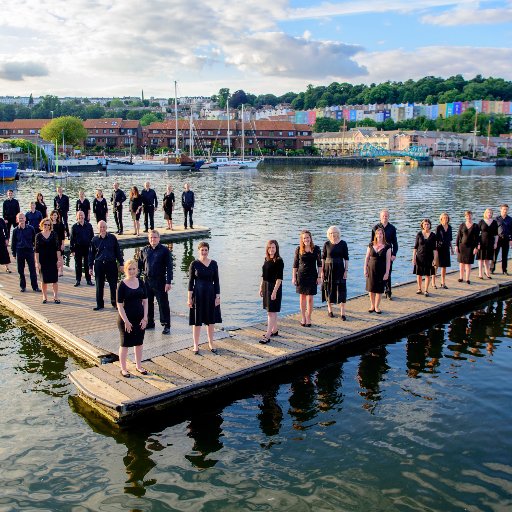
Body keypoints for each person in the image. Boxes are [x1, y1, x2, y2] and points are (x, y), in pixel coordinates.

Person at [187, 241, 221, 353]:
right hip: (198, 294)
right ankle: (196, 345)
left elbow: (216, 281)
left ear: (208, 251)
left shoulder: (214, 263)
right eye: (202, 250)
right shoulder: (194, 264)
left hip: (211, 294)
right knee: (197, 321)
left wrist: (218, 297)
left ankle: (211, 343)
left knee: (210, 320)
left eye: (206, 250)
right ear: (199, 250)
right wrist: (189, 298)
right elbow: (191, 282)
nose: (204, 252)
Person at [117, 259, 149, 378]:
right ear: (125, 270)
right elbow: (119, 305)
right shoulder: (122, 284)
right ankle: (123, 368)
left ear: (137, 270)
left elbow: (145, 301)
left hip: (140, 318)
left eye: (133, 269)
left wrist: (145, 318)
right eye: (129, 269)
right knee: (125, 344)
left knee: (139, 343)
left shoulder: (141, 282)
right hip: (125, 319)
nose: (131, 271)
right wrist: (126, 321)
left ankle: (139, 366)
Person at [138, 230, 173, 335]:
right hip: (147, 280)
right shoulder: (144, 250)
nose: (153, 239)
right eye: (151, 237)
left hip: (160, 280)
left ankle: (166, 324)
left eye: (155, 237)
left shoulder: (165, 250)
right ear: (148, 239)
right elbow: (139, 266)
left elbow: (169, 267)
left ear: (159, 238)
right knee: (147, 303)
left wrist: (168, 282)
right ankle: (150, 322)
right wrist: (137, 280)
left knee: (163, 303)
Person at [88, 220, 124, 311]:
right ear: (98, 228)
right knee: (99, 285)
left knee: (113, 285)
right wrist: (90, 267)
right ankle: (100, 304)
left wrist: (121, 263)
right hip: (99, 264)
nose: (102, 229)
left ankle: (115, 303)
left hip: (111, 263)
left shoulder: (112, 238)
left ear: (106, 228)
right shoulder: (94, 240)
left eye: (104, 227)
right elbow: (91, 254)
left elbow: (118, 252)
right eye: (100, 227)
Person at [292, 230, 322, 327]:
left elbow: (320, 264)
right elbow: (295, 265)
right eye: (304, 238)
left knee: (310, 298)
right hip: (301, 276)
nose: (306, 239)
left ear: (310, 238)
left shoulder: (316, 249)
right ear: (302, 239)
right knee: (302, 298)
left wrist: (319, 276)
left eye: (307, 237)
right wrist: (294, 277)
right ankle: (303, 317)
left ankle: (309, 317)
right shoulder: (298, 249)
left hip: (312, 275)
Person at [321, 225, 349, 320]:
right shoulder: (326, 244)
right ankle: (330, 310)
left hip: (339, 269)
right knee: (328, 289)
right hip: (328, 269)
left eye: (335, 232)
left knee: (342, 290)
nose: (333, 235)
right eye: (331, 233)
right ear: (329, 234)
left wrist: (346, 270)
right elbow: (323, 258)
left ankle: (343, 313)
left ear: (338, 233)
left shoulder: (343, 244)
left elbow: (346, 258)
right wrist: (322, 271)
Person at [259, 240, 284, 344]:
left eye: (273, 247)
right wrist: (260, 287)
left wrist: (274, 292)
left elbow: (279, 279)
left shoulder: (279, 260)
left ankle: (268, 335)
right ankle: (275, 330)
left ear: (276, 248)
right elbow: (263, 275)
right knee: (271, 311)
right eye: (269, 248)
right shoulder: (266, 259)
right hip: (266, 286)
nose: (271, 249)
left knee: (271, 312)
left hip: (274, 287)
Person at [371, 209, 398, 300]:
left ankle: (388, 291)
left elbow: (395, 243)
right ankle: (375, 290)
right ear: (380, 217)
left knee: (388, 272)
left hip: (387, 253)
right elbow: (372, 242)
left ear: (388, 217)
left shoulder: (392, 228)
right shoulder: (375, 227)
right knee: (376, 273)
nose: (384, 217)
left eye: (386, 216)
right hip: (377, 254)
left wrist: (394, 254)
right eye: (383, 216)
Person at [364, 227, 391, 314]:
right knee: (371, 289)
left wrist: (387, 272)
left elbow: (388, 261)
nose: (379, 235)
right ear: (375, 235)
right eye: (377, 234)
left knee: (379, 289)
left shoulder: (387, 246)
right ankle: (372, 305)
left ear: (383, 235)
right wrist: (365, 269)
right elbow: (367, 258)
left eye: (381, 234)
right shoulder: (371, 245)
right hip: (371, 269)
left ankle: (377, 306)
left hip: (381, 270)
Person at [35, 217, 61, 303]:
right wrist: (37, 262)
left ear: (50, 226)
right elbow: (37, 250)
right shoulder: (38, 236)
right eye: (45, 224)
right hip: (43, 260)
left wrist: (59, 260)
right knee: (43, 280)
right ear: (42, 225)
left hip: (52, 259)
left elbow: (58, 248)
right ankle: (44, 296)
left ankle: (56, 297)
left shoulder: (54, 234)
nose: (46, 226)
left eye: (48, 225)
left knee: (55, 280)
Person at [11, 213, 39, 293]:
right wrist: (13, 253)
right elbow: (13, 242)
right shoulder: (15, 230)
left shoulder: (31, 228)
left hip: (29, 250)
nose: (21, 220)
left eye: (22, 218)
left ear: (25, 219)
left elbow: (34, 240)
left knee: (32, 270)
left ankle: (35, 287)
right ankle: (23, 286)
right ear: (17, 220)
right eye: (19, 218)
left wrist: (36, 250)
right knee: (20, 270)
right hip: (20, 251)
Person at [412, 219, 438, 297]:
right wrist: (413, 258)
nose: (426, 226)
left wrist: (435, 259)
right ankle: (419, 288)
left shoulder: (433, 235)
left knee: (428, 274)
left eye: (428, 224)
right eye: (425, 224)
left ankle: (426, 290)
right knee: (419, 274)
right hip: (419, 257)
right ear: (422, 225)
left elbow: (435, 249)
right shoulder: (419, 234)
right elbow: (415, 247)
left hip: (429, 257)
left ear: (430, 225)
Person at [70, 210, 94, 286]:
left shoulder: (89, 226)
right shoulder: (74, 227)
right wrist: (72, 249)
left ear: (84, 216)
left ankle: (89, 280)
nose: (81, 216)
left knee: (88, 264)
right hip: (78, 248)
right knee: (78, 265)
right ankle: (78, 280)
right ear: (77, 217)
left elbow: (92, 237)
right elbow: (72, 239)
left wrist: (93, 248)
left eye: (82, 215)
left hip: (87, 248)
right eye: (79, 215)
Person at [455, 210, 480, 284]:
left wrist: (476, 247)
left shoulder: (475, 226)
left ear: (472, 216)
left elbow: (477, 238)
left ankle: (467, 279)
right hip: (462, 246)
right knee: (461, 263)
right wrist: (456, 245)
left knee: (468, 263)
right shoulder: (462, 225)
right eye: (467, 216)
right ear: (465, 217)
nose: (468, 217)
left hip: (471, 247)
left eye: (470, 215)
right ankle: (461, 277)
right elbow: (458, 236)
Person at [477, 208, 498, 280]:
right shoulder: (481, 222)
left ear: (492, 214)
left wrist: (495, 243)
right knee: (481, 259)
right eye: (488, 213)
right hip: (482, 242)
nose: (489, 214)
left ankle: (487, 272)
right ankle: (480, 273)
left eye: (491, 213)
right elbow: (477, 234)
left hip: (490, 242)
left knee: (488, 259)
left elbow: (496, 234)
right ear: (485, 213)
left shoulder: (494, 222)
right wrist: (478, 243)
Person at [434, 212, 454, 289]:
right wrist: (435, 250)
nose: (445, 219)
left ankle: (443, 282)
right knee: (436, 265)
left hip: (446, 248)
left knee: (444, 266)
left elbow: (450, 239)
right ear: (441, 219)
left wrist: (452, 249)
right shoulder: (438, 227)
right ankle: (433, 282)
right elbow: (436, 239)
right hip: (439, 248)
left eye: (447, 218)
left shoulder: (450, 227)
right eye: (444, 218)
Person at [493, 204, 512, 275]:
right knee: (495, 254)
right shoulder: (496, 219)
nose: (505, 211)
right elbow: (494, 229)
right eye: (504, 209)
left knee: (505, 255)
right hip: (498, 238)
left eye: (506, 209)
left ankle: (504, 270)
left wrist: (511, 240)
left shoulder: (510, 219)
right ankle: (492, 269)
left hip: (506, 238)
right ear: (501, 209)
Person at [49, 209, 65, 275]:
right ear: (51, 216)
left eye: (55, 215)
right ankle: (54, 270)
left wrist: (63, 244)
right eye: (53, 215)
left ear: (57, 216)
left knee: (60, 257)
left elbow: (62, 235)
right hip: (52, 242)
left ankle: (61, 271)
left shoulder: (60, 224)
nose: (54, 216)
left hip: (59, 242)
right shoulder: (49, 224)